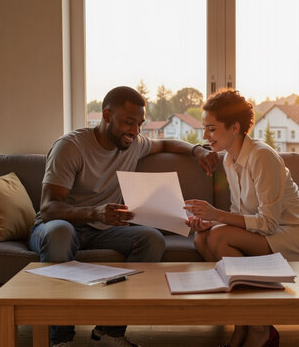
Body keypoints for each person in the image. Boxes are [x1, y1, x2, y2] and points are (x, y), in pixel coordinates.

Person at [30, 86, 219, 347]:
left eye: (140, 124)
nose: (135, 131)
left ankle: (110, 332)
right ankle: (60, 340)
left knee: (152, 239)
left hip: (102, 229)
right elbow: (50, 208)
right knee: (60, 233)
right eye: (129, 122)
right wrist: (94, 212)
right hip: (58, 226)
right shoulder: (70, 147)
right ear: (106, 115)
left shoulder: (134, 144)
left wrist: (197, 149)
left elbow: (164, 143)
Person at [184, 89, 299, 347]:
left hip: (297, 230)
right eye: (205, 128)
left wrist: (217, 216)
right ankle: (243, 323)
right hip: (270, 229)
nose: (205, 136)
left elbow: (267, 223)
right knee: (202, 238)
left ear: (234, 127)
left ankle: (259, 327)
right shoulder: (229, 160)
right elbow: (240, 213)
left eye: (211, 129)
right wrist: (208, 221)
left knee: (219, 236)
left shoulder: (262, 156)